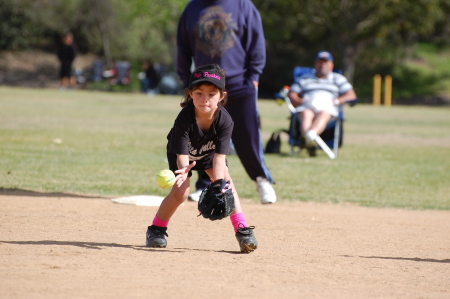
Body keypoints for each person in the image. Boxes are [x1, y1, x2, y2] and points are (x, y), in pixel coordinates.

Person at [146, 64, 258, 253]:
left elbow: (220, 157)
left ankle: (243, 231)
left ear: (221, 96)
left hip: (209, 155)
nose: (204, 99)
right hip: (182, 157)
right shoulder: (184, 118)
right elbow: (182, 154)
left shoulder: (225, 120)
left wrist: (221, 183)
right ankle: (156, 229)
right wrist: (183, 172)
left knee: (227, 186)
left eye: (211, 94)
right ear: (190, 93)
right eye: (199, 92)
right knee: (180, 193)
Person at [177, 0, 276, 204]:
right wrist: (185, 79)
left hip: (239, 82)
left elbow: (256, 41)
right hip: (205, 86)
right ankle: (205, 185)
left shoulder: (242, 5)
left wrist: (254, 76)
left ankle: (261, 179)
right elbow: (183, 47)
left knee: (248, 135)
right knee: (203, 137)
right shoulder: (192, 8)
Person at [288, 51, 357, 156]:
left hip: (328, 106)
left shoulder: (338, 78)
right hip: (307, 105)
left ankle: (308, 137)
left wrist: (336, 101)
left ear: (331, 65)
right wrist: (300, 101)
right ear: (316, 63)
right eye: (320, 62)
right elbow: (292, 93)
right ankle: (310, 139)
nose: (323, 65)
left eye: (326, 62)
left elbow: (351, 95)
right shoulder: (304, 78)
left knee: (324, 113)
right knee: (306, 113)